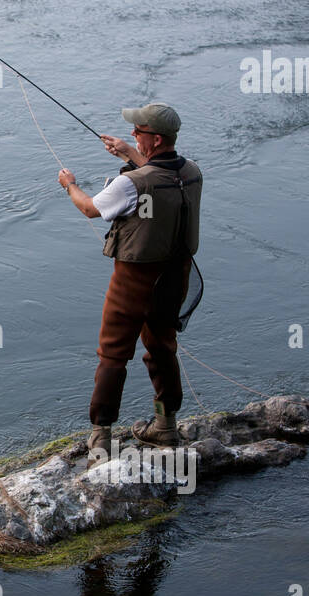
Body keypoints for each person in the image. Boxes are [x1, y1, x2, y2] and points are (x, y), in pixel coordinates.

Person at [56, 102, 202, 459]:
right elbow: (161, 175)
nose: (132, 135)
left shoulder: (130, 184)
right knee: (163, 347)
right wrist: (129, 151)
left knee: (113, 354)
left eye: (138, 132)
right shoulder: (193, 172)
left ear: (153, 138)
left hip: (133, 281)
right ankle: (165, 428)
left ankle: (101, 438)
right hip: (174, 278)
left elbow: (91, 207)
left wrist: (69, 185)